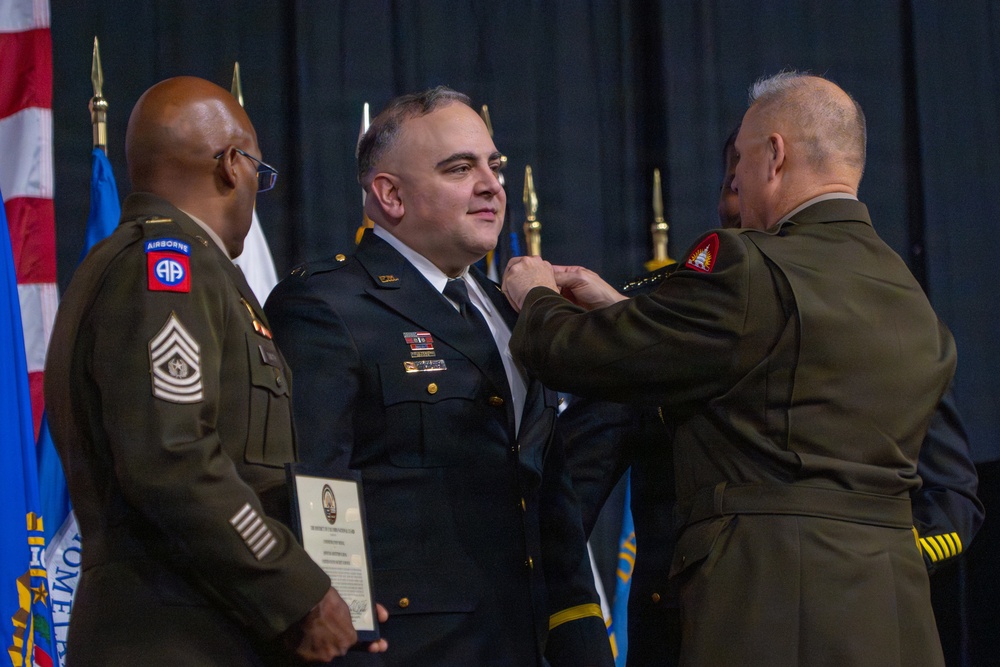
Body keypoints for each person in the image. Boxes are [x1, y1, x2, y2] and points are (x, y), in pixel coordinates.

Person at [503, 71, 956, 666]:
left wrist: (535, 299)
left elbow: (577, 356)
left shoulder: (745, 264)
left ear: (774, 154)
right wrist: (626, 311)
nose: (734, 179)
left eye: (739, 159)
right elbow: (763, 375)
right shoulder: (909, 298)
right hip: (890, 612)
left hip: (768, 603)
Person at [44, 76, 388, 666]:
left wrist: (327, 587)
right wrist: (298, 594)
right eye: (259, 170)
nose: (258, 188)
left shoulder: (165, 266)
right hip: (174, 636)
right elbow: (171, 458)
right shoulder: (168, 266)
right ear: (232, 164)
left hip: (205, 625)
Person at [264, 86, 612, 667]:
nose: (491, 185)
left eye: (494, 166)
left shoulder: (511, 311)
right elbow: (320, 492)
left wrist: (583, 646)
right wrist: (350, 643)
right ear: (391, 195)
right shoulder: (327, 304)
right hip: (408, 649)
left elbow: (550, 504)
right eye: (460, 168)